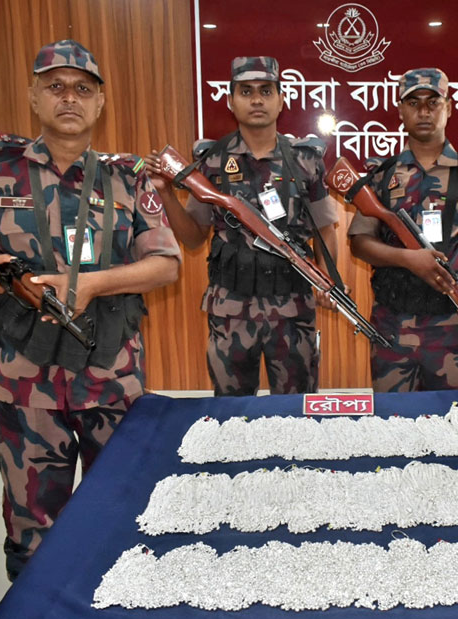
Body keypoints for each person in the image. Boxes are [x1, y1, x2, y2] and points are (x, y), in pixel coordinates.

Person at [0, 40, 181, 580]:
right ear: (34, 97)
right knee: (31, 523)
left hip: (110, 374)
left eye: (83, 89)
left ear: (100, 103)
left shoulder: (127, 177)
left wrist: (93, 284)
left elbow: (166, 264)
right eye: (55, 86)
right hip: (25, 376)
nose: (70, 97)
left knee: (121, 509)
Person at [144, 56, 339, 397]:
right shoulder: (211, 162)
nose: (257, 100)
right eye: (246, 91)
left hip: (293, 308)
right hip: (230, 309)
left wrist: (328, 282)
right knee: (231, 412)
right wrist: (167, 195)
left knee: (296, 411)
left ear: (281, 100)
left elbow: (325, 229)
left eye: (266, 91)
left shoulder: (305, 160)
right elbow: (193, 238)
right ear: (231, 101)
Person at [347, 68, 458, 392]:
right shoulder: (382, 175)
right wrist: (408, 259)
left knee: (457, 419)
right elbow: (360, 243)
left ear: (448, 108)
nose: (423, 111)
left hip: (454, 328)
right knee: (393, 420)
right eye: (413, 103)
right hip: (392, 328)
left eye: (433, 103)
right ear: (400, 111)